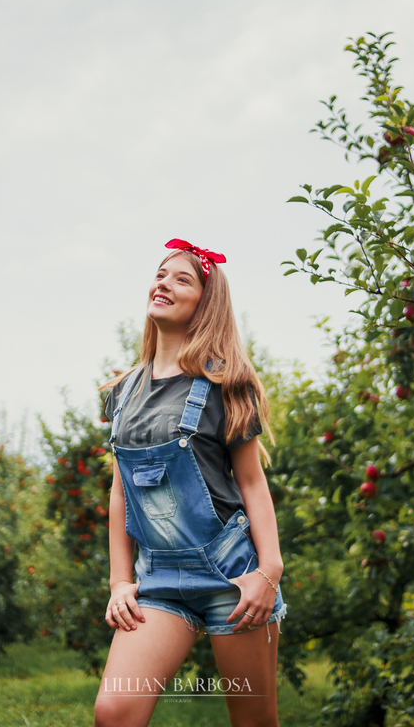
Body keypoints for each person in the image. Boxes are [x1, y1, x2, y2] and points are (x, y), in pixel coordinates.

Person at [91, 239, 287, 727]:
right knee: (114, 713)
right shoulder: (122, 392)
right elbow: (120, 493)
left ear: (205, 302)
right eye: (161, 274)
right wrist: (120, 581)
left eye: (182, 279)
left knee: (254, 722)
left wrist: (269, 572)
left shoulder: (227, 383)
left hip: (230, 576)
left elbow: (252, 482)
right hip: (158, 579)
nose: (164, 283)